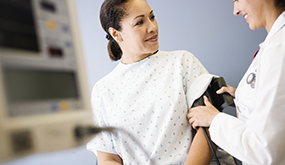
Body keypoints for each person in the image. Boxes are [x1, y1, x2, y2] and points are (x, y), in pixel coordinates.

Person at [86, 0, 235, 164]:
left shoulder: (182, 62)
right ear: (116, 34)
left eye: (152, 17)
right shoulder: (103, 90)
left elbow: (209, 127)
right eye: (140, 22)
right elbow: (108, 157)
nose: (152, 27)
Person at [187, 0, 285, 164]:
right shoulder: (274, 45)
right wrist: (244, 98)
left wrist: (214, 120)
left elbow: (264, 150)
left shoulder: (278, 49)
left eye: (237, 0)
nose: (235, 11)